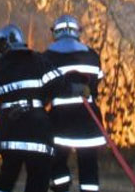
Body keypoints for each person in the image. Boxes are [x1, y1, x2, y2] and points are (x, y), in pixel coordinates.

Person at [0, 24, 63, 192]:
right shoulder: (38, 60)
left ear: (6, 44)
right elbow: (58, 84)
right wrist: (43, 101)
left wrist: (9, 112)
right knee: (38, 177)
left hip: (9, 130)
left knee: (7, 176)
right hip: (37, 131)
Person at [42, 15, 106, 192]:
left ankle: (61, 188)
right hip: (89, 121)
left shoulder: (47, 57)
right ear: (77, 32)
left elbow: (45, 89)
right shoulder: (92, 55)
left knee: (55, 160)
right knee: (89, 165)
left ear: (56, 32)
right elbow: (95, 86)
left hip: (60, 122)